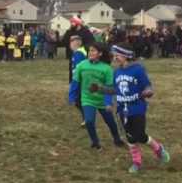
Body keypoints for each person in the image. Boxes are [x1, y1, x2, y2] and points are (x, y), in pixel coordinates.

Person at [91, 43, 170, 173]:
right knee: (130, 138)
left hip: (137, 108)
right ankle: (137, 162)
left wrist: (148, 92)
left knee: (140, 135)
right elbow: (115, 90)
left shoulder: (138, 69)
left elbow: (147, 86)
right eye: (114, 55)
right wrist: (101, 90)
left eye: (117, 54)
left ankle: (158, 149)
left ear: (126, 55)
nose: (115, 57)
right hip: (122, 110)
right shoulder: (116, 72)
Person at [68, 42, 124, 150]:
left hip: (102, 100)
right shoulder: (82, 65)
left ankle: (117, 138)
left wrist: (108, 103)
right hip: (87, 99)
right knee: (89, 121)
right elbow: (75, 82)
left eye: (93, 51)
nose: (90, 52)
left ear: (100, 53)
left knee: (111, 122)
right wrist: (72, 96)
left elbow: (109, 88)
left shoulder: (107, 69)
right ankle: (95, 142)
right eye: (90, 50)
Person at [70, 35, 88, 126]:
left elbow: (78, 68)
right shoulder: (78, 52)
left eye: (71, 42)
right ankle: (86, 118)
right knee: (79, 101)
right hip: (80, 79)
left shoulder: (78, 53)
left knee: (79, 101)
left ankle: (87, 119)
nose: (70, 44)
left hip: (80, 80)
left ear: (76, 43)